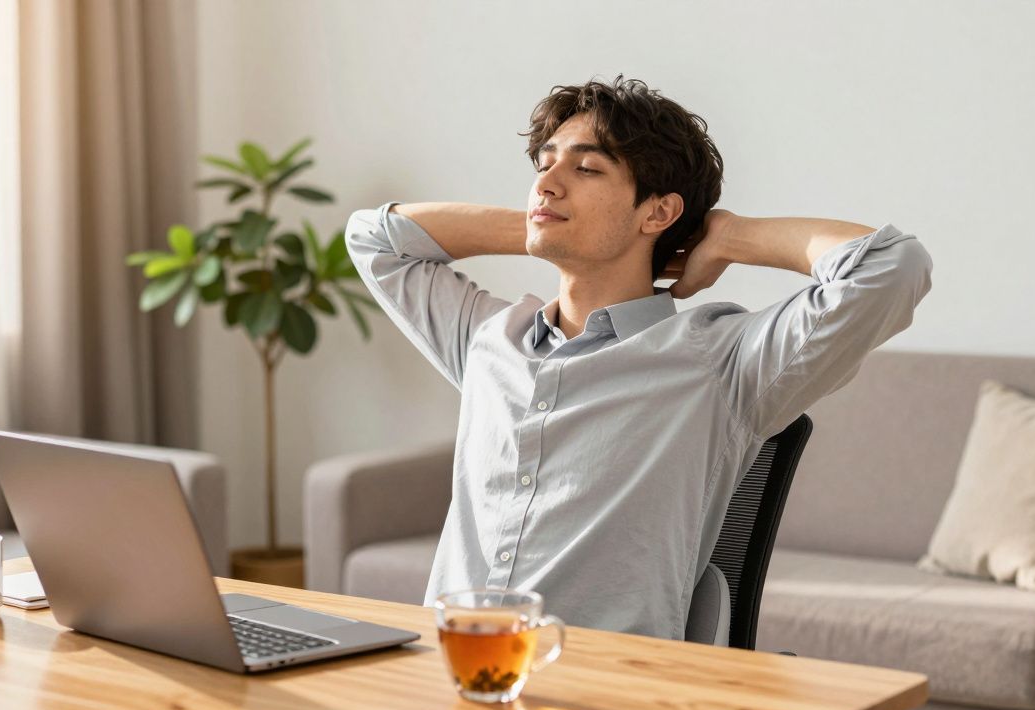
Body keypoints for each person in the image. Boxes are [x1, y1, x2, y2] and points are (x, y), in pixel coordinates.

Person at [342, 74, 933, 639]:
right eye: (544, 164)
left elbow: (891, 267)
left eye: (587, 168)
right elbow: (374, 238)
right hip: (453, 671)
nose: (546, 183)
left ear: (658, 212)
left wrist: (725, 236)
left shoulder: (719, 363)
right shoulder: (490, 339)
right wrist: (539, 226)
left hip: (605, 692)